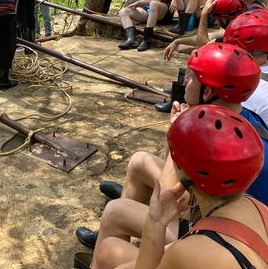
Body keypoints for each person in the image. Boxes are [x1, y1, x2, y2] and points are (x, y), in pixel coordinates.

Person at [76, 43, 268, 262]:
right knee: (139, 161)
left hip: (211, 221)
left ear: (207, 91)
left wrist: (175, 132)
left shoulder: (215, 137)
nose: (185, 80)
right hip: (233, 214)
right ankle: (123, 225)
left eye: (191, 77)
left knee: (112, 228)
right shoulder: (242, 120)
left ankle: (116, 234)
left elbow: (169, 194)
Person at [91, 104, 268, 269]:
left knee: (110, 255)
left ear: (182, 174)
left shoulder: (187, 252)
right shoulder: (259, 208)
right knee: (108, 248)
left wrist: (156, 222)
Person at [155, 0, 246, 113]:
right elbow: (210, 36)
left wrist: (204, 16)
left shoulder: (237, 31)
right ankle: (183, 92)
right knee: (196, 53)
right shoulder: (239, 23)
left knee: (197, 57)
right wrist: (178, 41)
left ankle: (181, 100)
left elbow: (203, 47)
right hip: (240, 70)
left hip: (236, 77)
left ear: (224, 19)